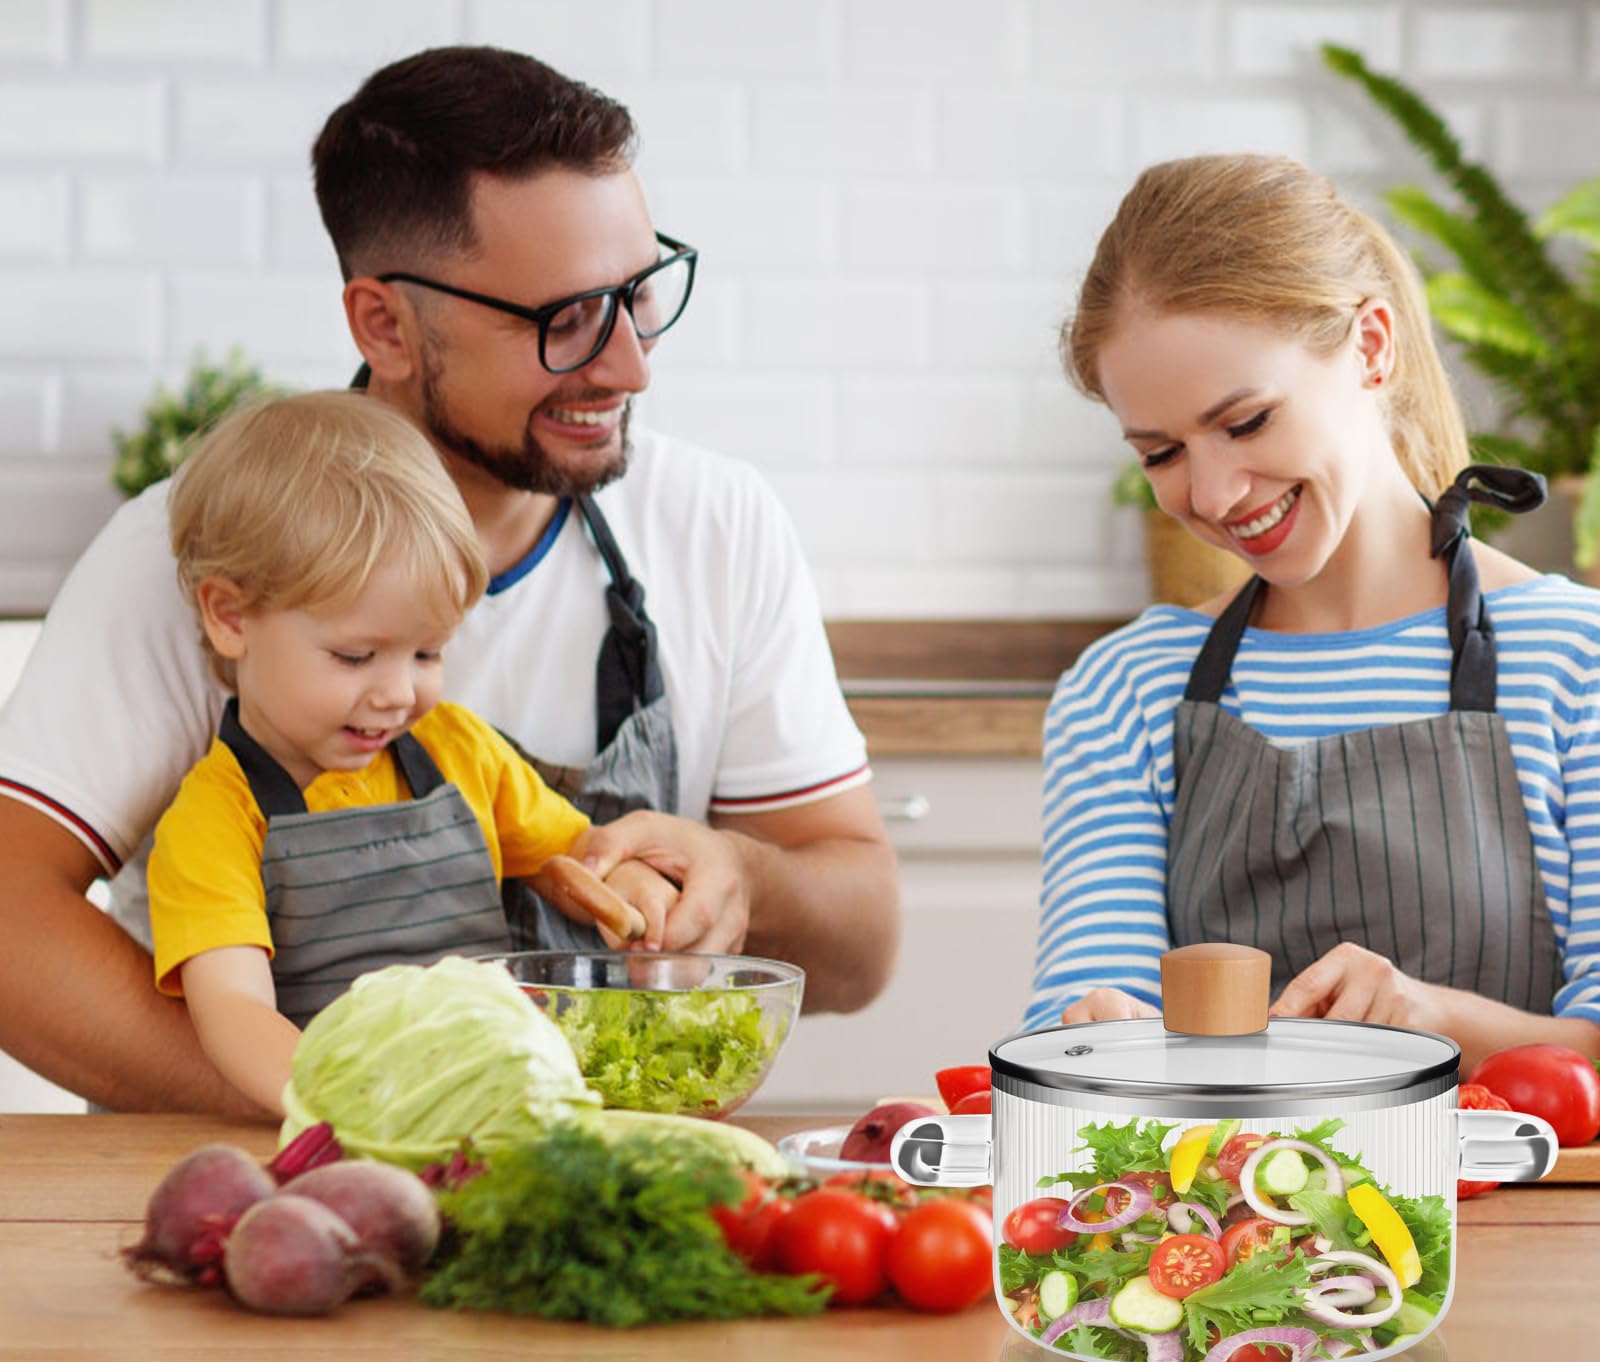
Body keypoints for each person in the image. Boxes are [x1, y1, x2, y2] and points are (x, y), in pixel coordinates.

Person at [0, 46, 899, 1115]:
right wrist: (366, 1111)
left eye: (639, 295)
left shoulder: (716, 523)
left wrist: (742, 877)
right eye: (563, 322)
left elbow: (864, 941)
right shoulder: (194, 546)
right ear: (384, 324)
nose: (629, 367)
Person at [1025, 153, 1600, 1069]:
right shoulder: (1127, 690)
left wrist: (1439, 1023)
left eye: (1246, 422)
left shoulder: (1575, 665)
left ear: (1372, 348)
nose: (1213, 493)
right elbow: (1088, 1002)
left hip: (1520, 1211)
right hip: (1223, 1214)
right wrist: (1092, 1034)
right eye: (1161, 452)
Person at [150, 391, 675, 1113]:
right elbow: (233, 1012)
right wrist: (361, 1109)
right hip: (346, 1132)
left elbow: (579, 855)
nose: (398, 693)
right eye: (356, 655)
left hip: (499, 1105)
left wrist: (636, 890)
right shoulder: (214, 820)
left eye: (427, 651)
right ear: (232, 617)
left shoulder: (458, 749)